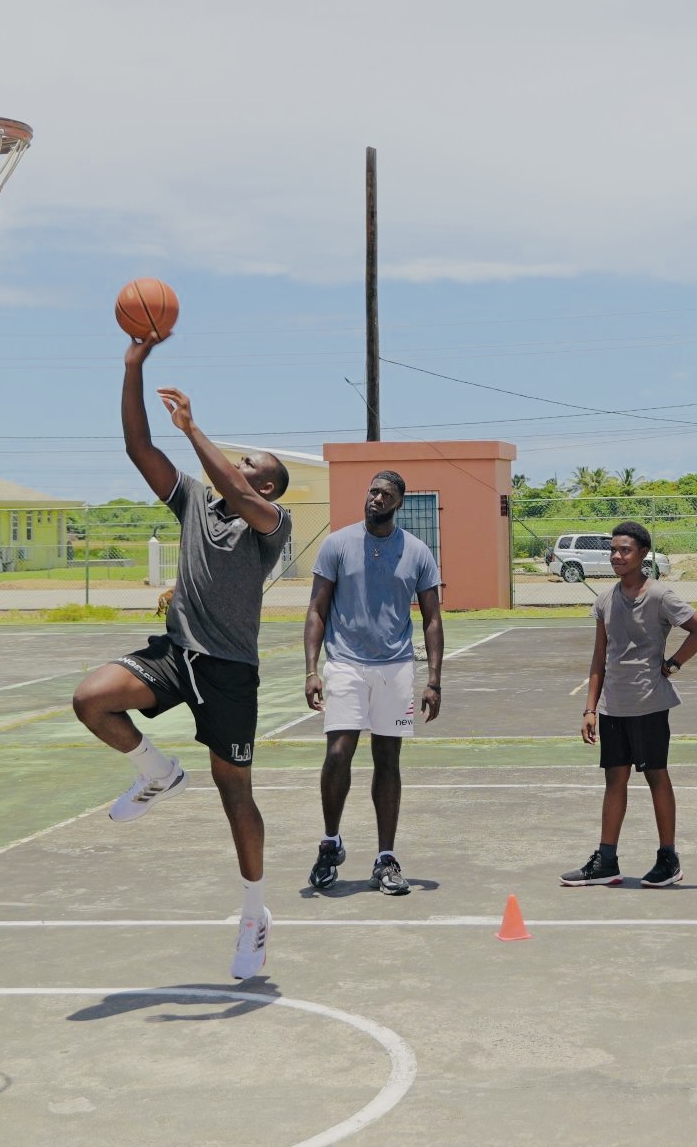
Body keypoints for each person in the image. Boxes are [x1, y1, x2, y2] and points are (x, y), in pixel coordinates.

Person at [70, 337, 291, 981]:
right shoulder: (195, 503)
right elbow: (139, 448)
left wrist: (195, 429)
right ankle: (156, 771)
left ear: (266, 482)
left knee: (235, 794)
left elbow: (232, 485)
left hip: (229, 672)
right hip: (176, 653)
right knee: (91, 699)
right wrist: (134, 367)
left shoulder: (270, 522)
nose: (239, 465)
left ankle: (254, 913)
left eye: (250, 462)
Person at [304, 471, 443, 898]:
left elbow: (433, 618)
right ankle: (331, 844)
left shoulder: (417, 552)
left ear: (399, 502)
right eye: (372, 491)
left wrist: (434, 679)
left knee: (388, 760)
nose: (376, 499)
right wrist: (312, 669)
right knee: (339, 752)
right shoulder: (337, 544)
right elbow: (316, 611)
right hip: (344, 663)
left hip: (396, 667)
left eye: (385, 494)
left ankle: (386, 858)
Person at [562, 522, 697, 888]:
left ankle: (668, 858)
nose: (617, 556)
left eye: (625, 550)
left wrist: (674, 663)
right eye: (613, 550)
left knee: (655, 775)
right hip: (613, 706)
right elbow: (599, 659)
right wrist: (589, 708)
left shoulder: (660, 596)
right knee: (615, 778)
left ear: (643, 554)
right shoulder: (604, 600)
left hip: (648, 703)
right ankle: (607, 860)